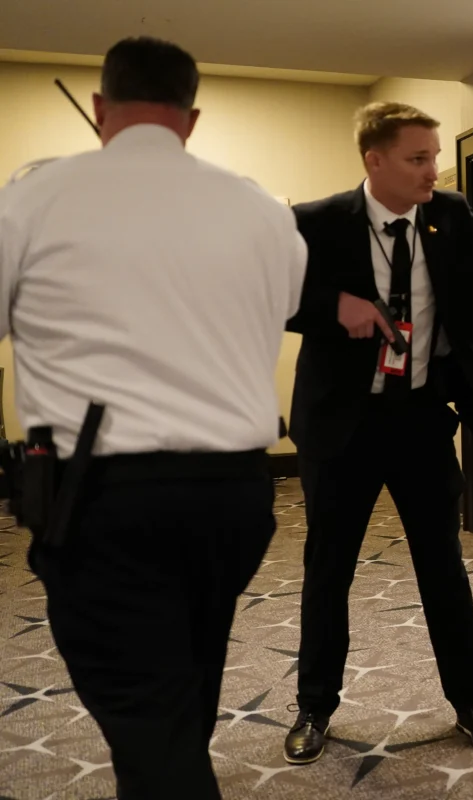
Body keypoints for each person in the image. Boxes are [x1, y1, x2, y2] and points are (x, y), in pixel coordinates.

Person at [0, 37, 305, 799]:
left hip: (107, 502)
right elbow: (280, 308)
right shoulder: (263, 209)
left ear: (101, 106)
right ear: (190, 116)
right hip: (237, 497)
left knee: (149, 722)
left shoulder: (30, 198)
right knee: (183, 687)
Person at [282, 101, 473, 765]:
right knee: (328, 565)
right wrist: (330, 308)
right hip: (342, 424)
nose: (432, 169)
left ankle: (472, 701)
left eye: (433, 156)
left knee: (443, 566)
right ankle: (316, 703)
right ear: (375, 160)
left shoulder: (448, 214)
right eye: (417, 158)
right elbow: (259, 288)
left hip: (422, 418)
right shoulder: (314, 223)